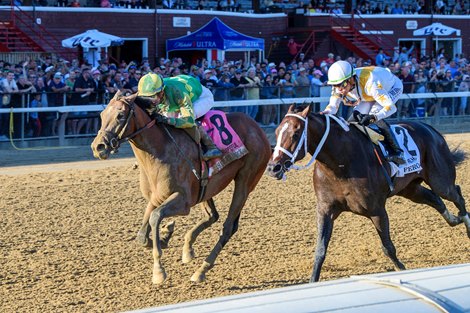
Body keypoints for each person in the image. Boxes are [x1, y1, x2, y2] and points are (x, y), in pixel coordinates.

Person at [321, 60, 406, 165]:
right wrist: (326, 112)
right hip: (368, 94)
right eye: (335, 85)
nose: (339, 89)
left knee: (374, 116)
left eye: (342, 85)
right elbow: (333, 107)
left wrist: (374, 117)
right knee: (353, 119)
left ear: (351, 79)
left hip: (391, 88)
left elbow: (391, 108)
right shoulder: (340, 87)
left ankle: (397, 151)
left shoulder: (370, 83)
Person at [136, 73, 222, 161]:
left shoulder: (177, 92)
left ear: (161, 92)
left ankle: (211, 147)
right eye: (145, 98)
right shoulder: (152, 92)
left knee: (183, 118)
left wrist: (169, 120)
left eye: (152, 97)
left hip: (201, 97)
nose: (148, 101)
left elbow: (188, 120)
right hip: (175, 96)